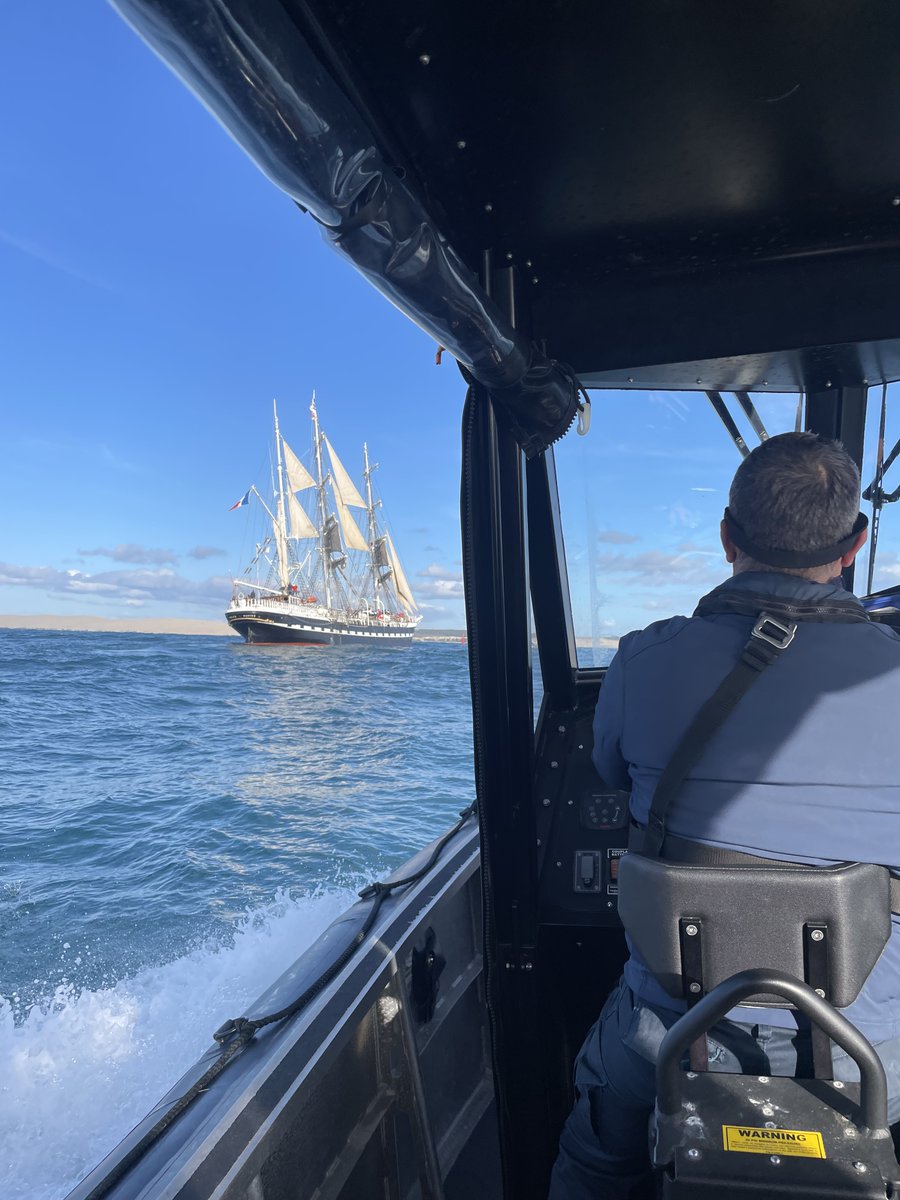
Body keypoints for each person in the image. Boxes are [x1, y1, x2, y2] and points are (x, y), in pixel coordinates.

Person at [550, 432, 900, 1199]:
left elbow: (612, 771)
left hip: (668, 1038)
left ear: (726, 538)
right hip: (873, 1055)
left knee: (596, 1151)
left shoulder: (642, 661)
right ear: (855, 546)